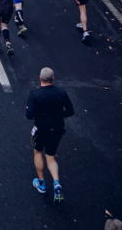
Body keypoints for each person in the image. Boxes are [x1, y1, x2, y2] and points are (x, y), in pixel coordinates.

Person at [26, 67, 74, 202]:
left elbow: (29, 115)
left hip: (41, 129)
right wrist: (59, 115)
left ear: (40, 78)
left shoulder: (35, 94)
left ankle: (41, 183)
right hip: (57, 129)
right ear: (53, 79)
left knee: (37, 152)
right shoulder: (61, 93)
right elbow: (70, 111)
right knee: (51, 157)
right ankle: (56, 182)